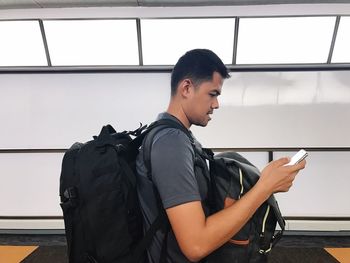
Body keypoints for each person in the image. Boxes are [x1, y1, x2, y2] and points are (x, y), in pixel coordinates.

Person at [136, 49, 306, 262]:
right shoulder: (171, 143)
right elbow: (196, 245)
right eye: (212, 94)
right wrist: (265, 187)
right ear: (187, 88)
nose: (216, 104)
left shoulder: (179, 137)